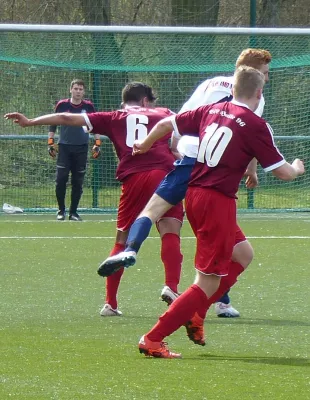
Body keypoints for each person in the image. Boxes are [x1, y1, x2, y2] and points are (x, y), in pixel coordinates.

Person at [131, 66, 304, 358]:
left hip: (195, 194)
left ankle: (196, 314)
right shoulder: (255, 124)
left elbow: (167, 124)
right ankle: (153, 338)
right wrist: (298, 167)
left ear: (233, 89)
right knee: (207, 280)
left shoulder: (212, 109)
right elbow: (284, 173)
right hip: (217, 201)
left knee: (243, 254)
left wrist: (144, 143)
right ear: (259, 93)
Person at [98, 48, 271, 317]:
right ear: (253, 73)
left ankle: (131, 249)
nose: (266, 79)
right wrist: (252, 171)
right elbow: (248, 136)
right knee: (219, 238)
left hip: (187, 158)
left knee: (151, 211)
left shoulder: (210, 83)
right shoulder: (254, 98)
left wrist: (165, 145)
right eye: (265, 73)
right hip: (214, 171)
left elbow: (178, 118)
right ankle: (219, 301)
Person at [4, 82, 184, 317]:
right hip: (164, 175)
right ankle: (171, 287)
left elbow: (66, 117)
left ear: (125, 101)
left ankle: (110, 303)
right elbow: (180, 138)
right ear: (145, 101)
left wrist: (30, 122)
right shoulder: (164, 113)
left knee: (122, 240)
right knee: (170, 229)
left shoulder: (113, 117)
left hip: (134, 180)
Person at [48, 79, 97, 221]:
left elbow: (96, 125)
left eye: (81, 89)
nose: (78, 91)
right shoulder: (62, 105)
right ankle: (61, 211)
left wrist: (97, 143)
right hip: (64, 147)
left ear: (84, 91)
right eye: (76, 89)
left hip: (82, 148)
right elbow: (53, 124)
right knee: (61, 179)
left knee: (78, 181)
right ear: (71, 90)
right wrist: (50, 142)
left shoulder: (88, 106)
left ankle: (73, 212)